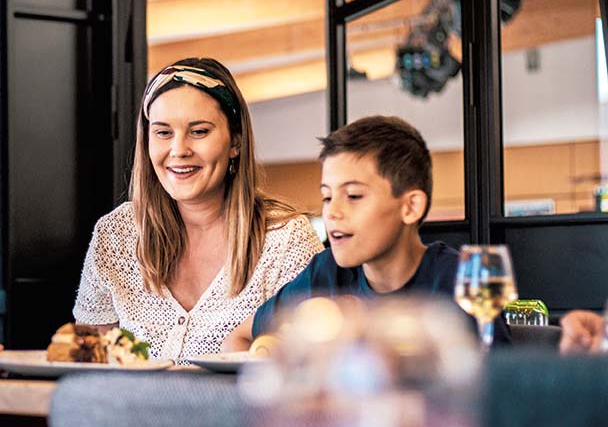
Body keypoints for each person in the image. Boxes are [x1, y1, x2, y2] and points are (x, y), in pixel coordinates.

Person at [73, 58, 322, 361]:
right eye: (163, 133)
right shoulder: (117, 233)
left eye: (199, 131)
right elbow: (91, 356)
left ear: (236, 142)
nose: (179, 150)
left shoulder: (286, 240)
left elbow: (310, 365)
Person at [222, 115, 510, 351]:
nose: (332, 212)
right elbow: (240, 337)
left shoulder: (469, 278)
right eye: (326, 197)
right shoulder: (324, 275)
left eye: (354, 196)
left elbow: (504, 388)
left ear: (410, 207)